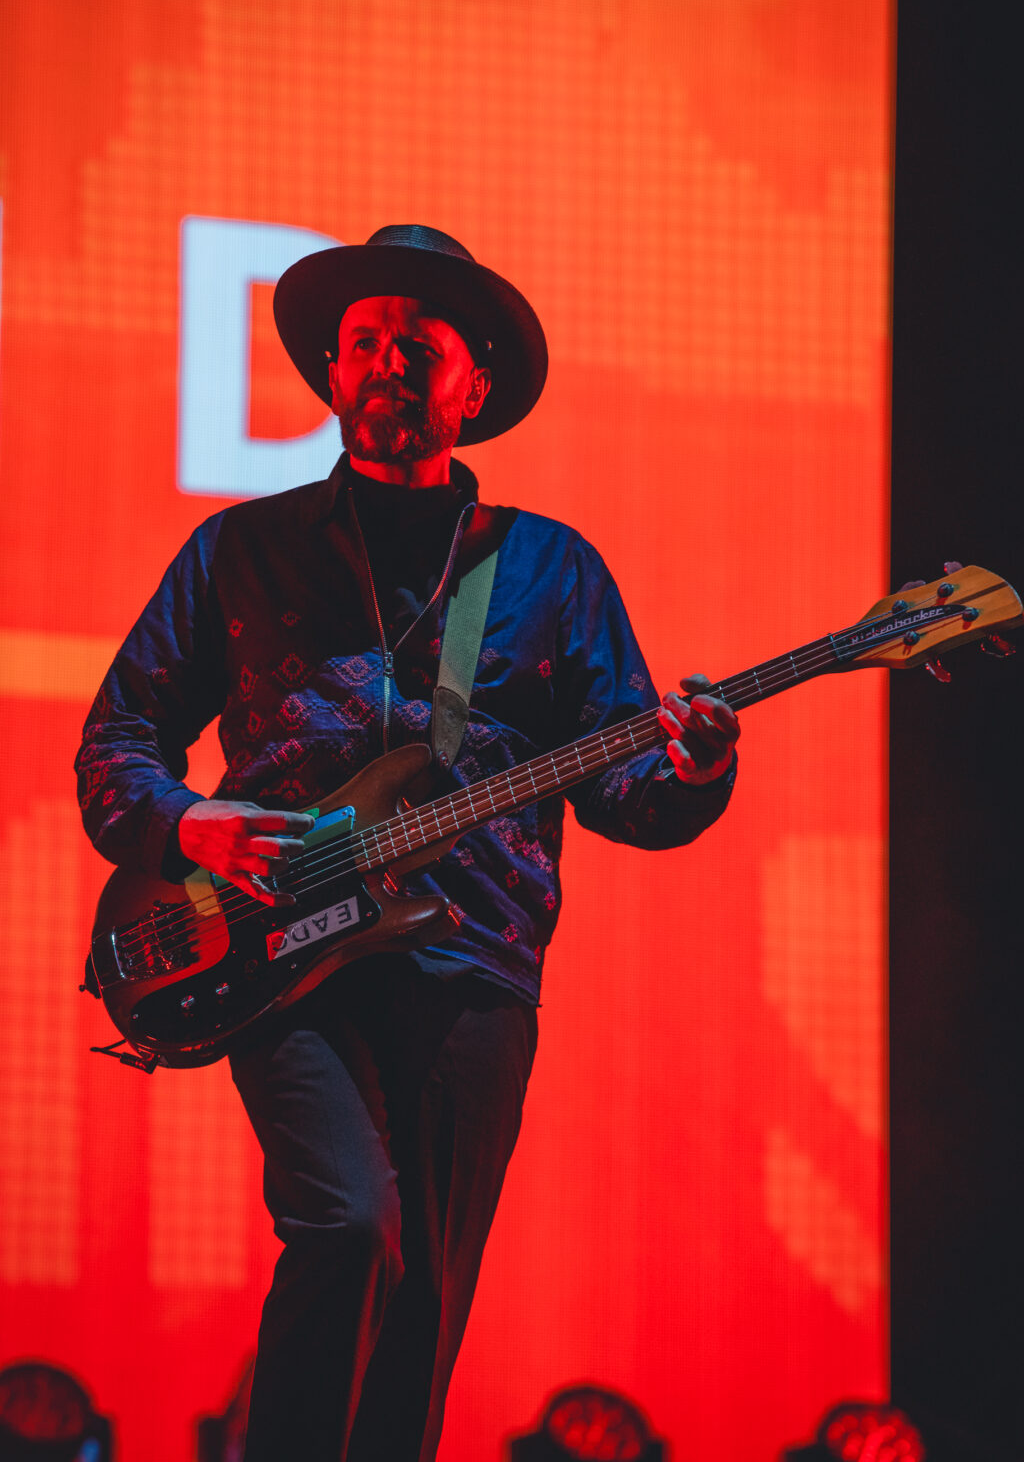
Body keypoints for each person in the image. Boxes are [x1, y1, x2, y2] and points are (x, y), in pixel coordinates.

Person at [76, 224, 740, 1462]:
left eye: (415, 346)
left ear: (471, 387)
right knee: (346, 1227)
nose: (385, 363)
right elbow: (115, 744)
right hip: (272, 954)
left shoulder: (547, 570)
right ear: (331, 376)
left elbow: (631, 791)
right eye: (362, 343)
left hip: (472, 965)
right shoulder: (238, 551)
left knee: (425, 1314)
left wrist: (696, 765)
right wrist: (190, 822)